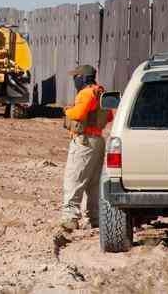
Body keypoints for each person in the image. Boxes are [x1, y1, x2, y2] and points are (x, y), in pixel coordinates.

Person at [60, 64, 114, 232]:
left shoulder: (86, 93)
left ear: (82, 78)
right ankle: (95, 217)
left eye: (75, 78)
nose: (74, 81)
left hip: (84, 142)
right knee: (93, 182)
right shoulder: (100, 92)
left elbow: (78, 114)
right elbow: (110, 115)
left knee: (74, 180)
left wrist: (68, 111)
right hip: (98, 140)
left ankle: (70, 217)